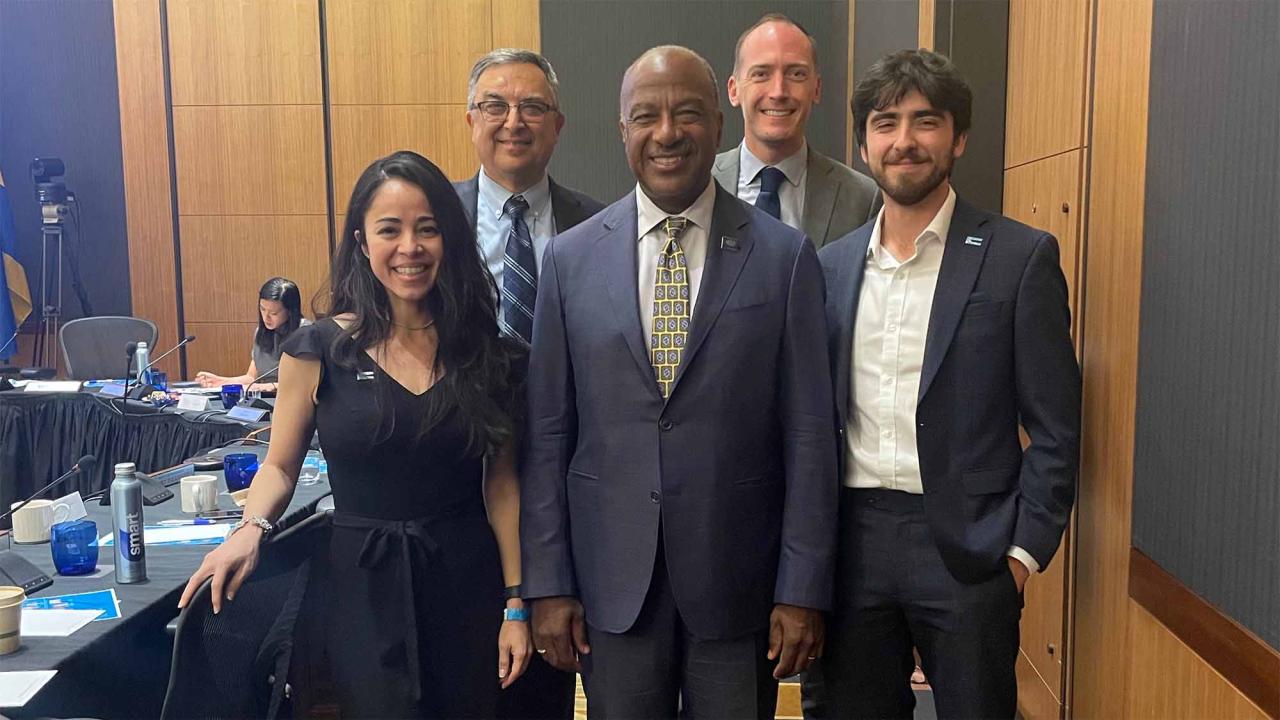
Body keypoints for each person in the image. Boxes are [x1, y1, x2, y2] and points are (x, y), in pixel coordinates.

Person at [521, 46, 837, 719]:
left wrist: (802, 586)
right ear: (623, 131)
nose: (666, 132)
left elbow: (810, 434)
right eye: (646, 116)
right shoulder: (568, 261)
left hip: (740, 584)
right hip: (611, 585)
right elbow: (547, 433)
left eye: (687, 114)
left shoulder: (783, 258)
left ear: (719, 125)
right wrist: (546, 583)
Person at [180, 151, 533, 718]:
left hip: (469, 585)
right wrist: (251, 529)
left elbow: (504, 487)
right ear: (363, 243)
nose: (410, 248)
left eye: (427, 229)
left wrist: (517, 602)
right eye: (389, 230)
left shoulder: (488, 355)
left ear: (451, 241)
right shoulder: (316, 349)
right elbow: (279, 466)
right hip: (359, 591)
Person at [814, 49, 1081, 719]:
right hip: (853, 543)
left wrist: (1022, 556)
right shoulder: (828, 268)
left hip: (970, 552)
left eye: (925, 121)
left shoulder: (1020, 258)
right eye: (885, 123)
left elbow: (1056, 427)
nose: (904, 141)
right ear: (863, 142)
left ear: (958, 137)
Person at [454, 49, 605, 349]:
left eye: (532, 108)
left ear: (557, 127)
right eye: (495, 106)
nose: (513, 123)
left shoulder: (598, 226)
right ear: (472, 122)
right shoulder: (438, 216)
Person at [713, 13, 878, 248]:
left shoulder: (862, 199)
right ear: (733, 90)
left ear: (817, 89)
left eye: (796, 74)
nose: (778, 92)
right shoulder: (700, 186)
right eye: (761, 74)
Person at [194, 276, 310, 392]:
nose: (266, 317)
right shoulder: (261, 331)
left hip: (292, 399)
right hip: (263, 398)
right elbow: (251, 378)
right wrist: (221, 381)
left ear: (290, 311)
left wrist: (271, 386)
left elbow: (307, 383)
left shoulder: (306, 332)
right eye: (262, 309)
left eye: (273, 313)